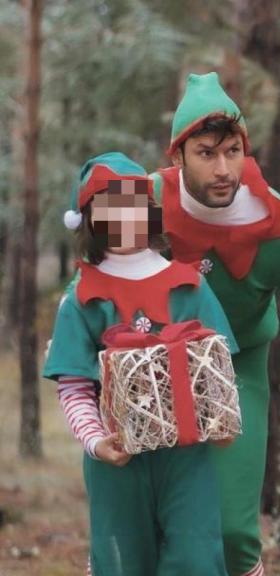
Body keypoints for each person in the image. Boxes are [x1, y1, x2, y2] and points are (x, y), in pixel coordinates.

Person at [149, 72, 280, 576]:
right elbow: (95, 277)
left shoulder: (279, 225)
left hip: (239, 369)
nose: (224, 167)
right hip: (152, 372)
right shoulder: (141, 205)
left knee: (233, 531)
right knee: (144, 524)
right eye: (207, 153)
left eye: (233, 151)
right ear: (178, 157)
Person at [44, 152, 237, 575]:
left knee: (196, 557)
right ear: (90, 218)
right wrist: (96, 442)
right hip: (119, 461)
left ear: (148, 211)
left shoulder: (188, 284)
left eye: (132, 203)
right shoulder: (83, 296)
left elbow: (218, 370)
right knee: (123, 561)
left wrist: (221, 423)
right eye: (109, 206)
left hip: (187, 458)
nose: (123, 216)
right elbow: (74, 385)